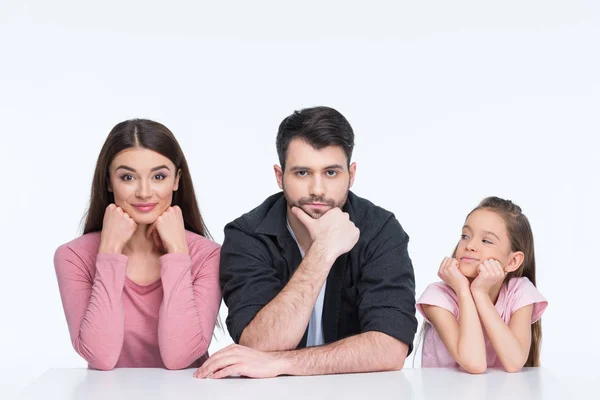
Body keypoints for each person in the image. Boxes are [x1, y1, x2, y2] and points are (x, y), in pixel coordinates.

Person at [195, 106, 417, 379]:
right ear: (280, 176)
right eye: (302, 173)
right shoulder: (248, 235)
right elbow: (258, 344)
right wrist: (322, 252)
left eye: (331, 173)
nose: (317, 189)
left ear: (352, 174)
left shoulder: (380, 230)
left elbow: (390, 348)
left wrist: (283, 364)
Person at [54, 119, 221, 370]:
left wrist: (177, 253)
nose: (144, 192)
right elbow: (101, 357)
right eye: (128, 177)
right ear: (109, 182)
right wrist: (109, 253)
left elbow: (179, 358)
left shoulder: (207, 255)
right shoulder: (73, 256)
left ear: (176, 180)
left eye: (158, 176)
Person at [416, 197, 547, 373]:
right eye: (465, 236)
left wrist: (480, 294)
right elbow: (474, 363)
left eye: (486, 241)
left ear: (513, 261)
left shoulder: (519, 292)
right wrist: (463, 290)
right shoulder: (438, 298)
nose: (469, 245)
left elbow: (515, 362)